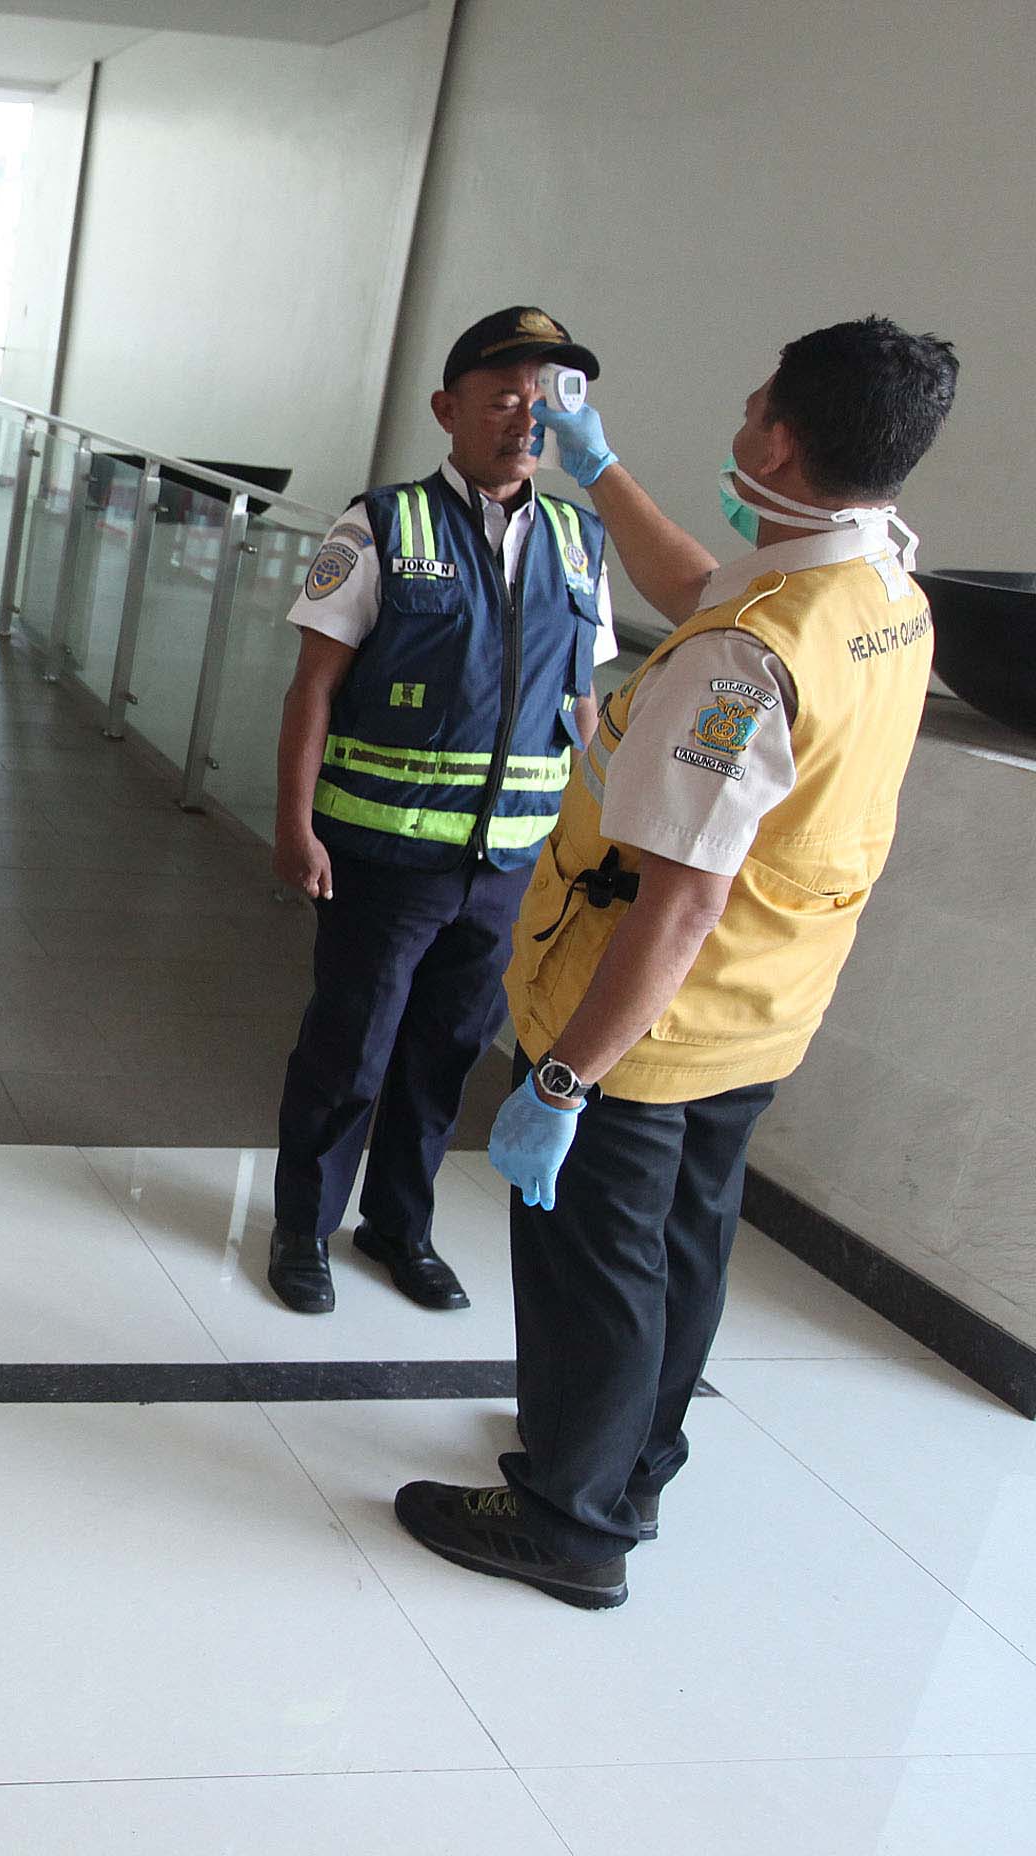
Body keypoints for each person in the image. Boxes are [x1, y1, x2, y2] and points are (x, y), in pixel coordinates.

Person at [393, 316, 959, 1609]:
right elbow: (713, 586)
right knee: (688, 1245)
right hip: (767, 1005)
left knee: (596, 1265)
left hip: (647, 1025)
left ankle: (569, 1522)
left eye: (755, 406)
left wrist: (563, 1080)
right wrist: (600, 469)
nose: (740, 421)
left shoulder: (742, 663)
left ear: (782, 440)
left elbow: (681, 900)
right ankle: (632, 1463)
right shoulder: (879, 591)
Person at [265, 308, 621, 1315]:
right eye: (503, 396)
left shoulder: (579, 538)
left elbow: (584, 707)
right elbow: (313, 687)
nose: (526, 419)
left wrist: (599, 835)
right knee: (351, 1047)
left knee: (446, 1056)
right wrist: (294, 825)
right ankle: (304, 1226)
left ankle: (399, 1226)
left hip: (510, 867)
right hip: (383, 858)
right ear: (447, 409)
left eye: (542, 400)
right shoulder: (381, 524)